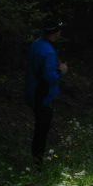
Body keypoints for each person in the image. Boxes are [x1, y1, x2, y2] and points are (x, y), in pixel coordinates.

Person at [25, 19, 67, 168]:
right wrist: (61, 71)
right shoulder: (48, 52)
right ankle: (37, 164)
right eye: (59, 30)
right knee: (41, 130)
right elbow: (50, 77)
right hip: (43, 96)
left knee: (40, 129)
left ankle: (37, 161)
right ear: (55, 33)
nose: (60, 32)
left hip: (34, 92)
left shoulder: (37, 44)